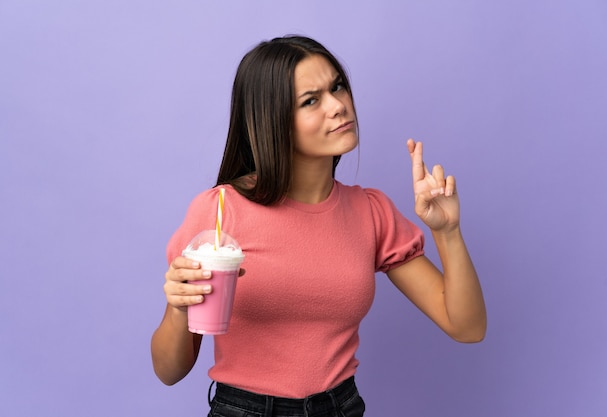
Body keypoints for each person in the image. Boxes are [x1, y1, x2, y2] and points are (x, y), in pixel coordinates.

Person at [151, 35, 486, 417]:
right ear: (272, 119)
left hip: (340, 408)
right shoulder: (220, 212)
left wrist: (448, 232)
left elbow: (467, 327)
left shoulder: (370, 211)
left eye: (337, 86)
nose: (338, 106)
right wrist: (179, 309)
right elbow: (169, 370)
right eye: (311, 100)